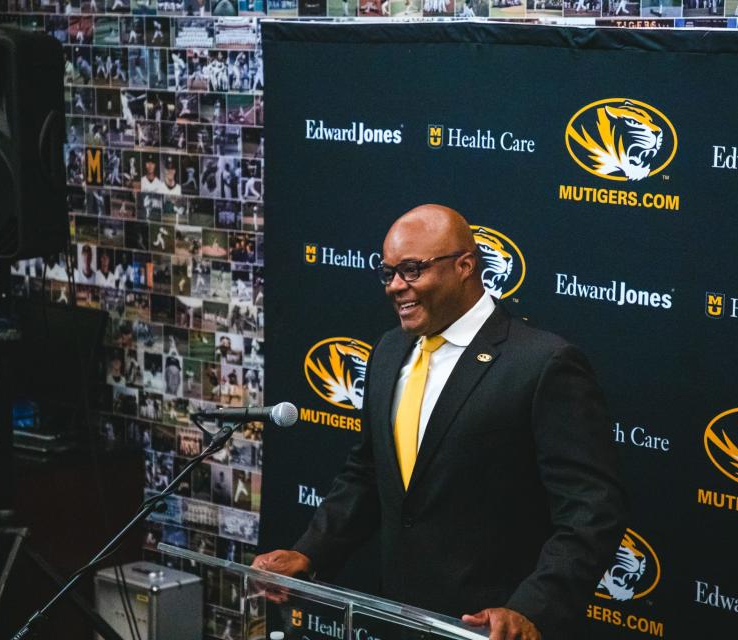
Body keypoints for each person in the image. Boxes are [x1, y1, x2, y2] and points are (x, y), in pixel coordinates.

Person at [252, 205, 628, 640]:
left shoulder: (543, 364)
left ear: (465, 266)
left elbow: (592, 510)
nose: (395, 286)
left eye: (411, 270)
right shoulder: (390, 350)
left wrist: (531, 610)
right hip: (396, 621)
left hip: (489, 629)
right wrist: (308, 553)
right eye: (388, 272)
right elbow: (369, 474)